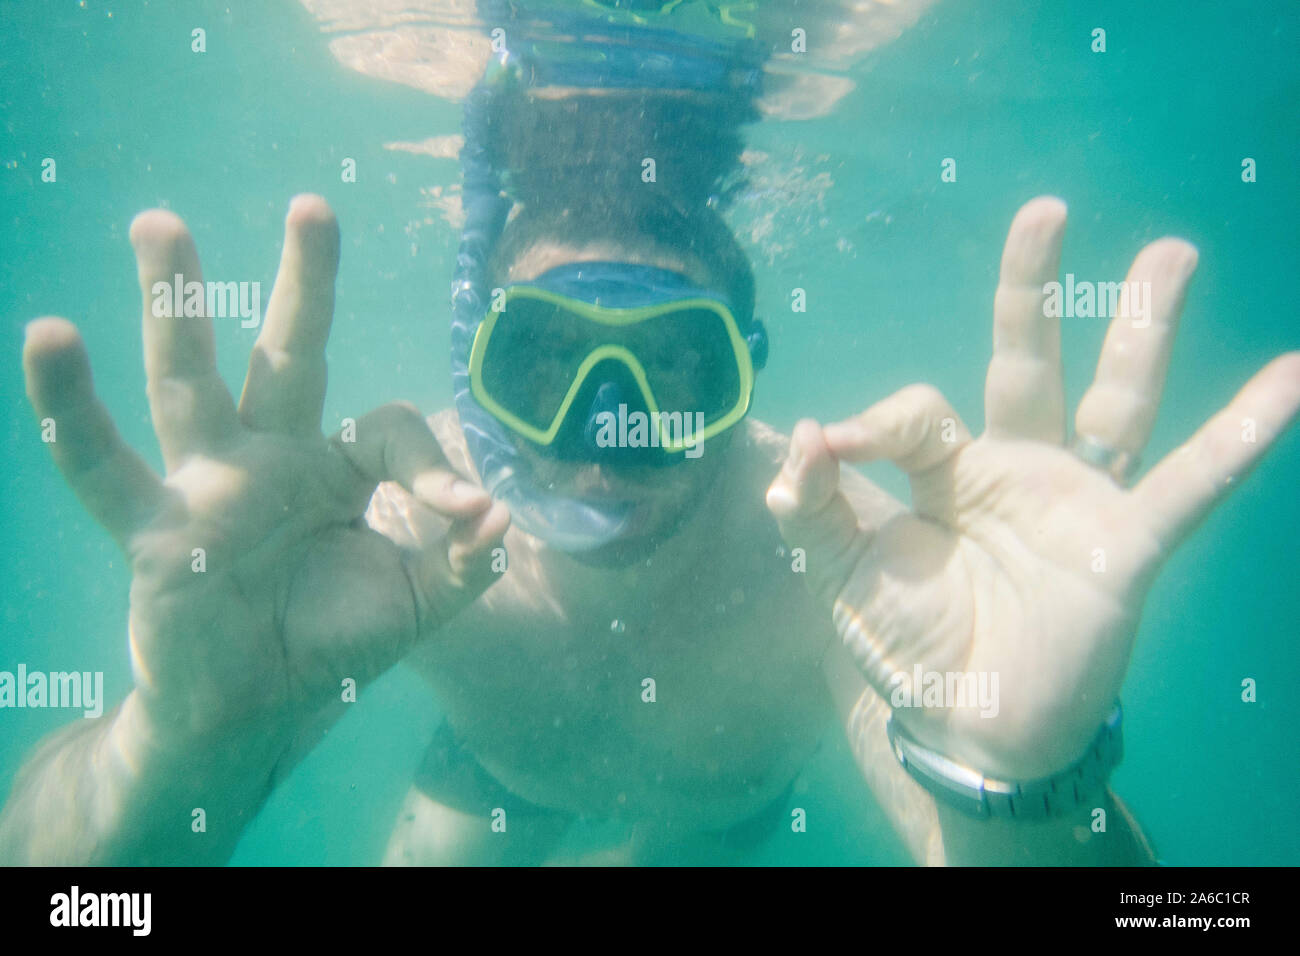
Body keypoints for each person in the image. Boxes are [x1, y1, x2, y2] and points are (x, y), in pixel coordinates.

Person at [4, 32, 1299, 869]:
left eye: (675, 370)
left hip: (721, 811)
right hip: (493, 777)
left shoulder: (835, 559)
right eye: (543, 367)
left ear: (747, 383)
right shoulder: (403, 539)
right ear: (476, 382)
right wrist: (178, 751)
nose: (603, 438)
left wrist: (1021, 787)